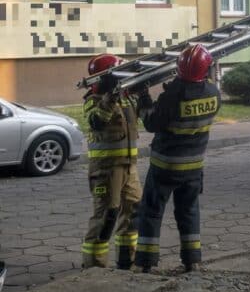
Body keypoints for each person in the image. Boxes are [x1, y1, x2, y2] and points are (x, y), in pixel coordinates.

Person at [134, 44, 221, 273]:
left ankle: (145, 263)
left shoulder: (172, 96)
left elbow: (152, 123)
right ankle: (192, 261)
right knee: (189, 211)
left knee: (152, 211)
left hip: (165, 166)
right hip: (194, 167)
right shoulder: (214, 94)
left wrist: (143, 99)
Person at [81, 54, 144, 269]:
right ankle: (93, 267)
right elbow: (96, 121)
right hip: (106, 170)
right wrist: (110, 95)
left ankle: (127, 261)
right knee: (106, 217)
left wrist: (143, 93)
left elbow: (142, 116)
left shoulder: (126, 96)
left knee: (134, 211)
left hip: (129, 166)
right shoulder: (93, 98)